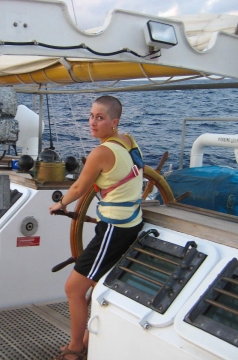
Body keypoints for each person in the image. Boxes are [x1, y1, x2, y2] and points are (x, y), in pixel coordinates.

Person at [49, 95, 144, 360]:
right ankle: (89, 339)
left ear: (114, 122)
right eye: (91, 116)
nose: (92, 122)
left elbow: (79, 187)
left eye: (100, 118)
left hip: (114, 229)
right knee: (99, 282)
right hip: (130, 223)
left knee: (74, 289)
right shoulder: (128, 141)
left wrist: (61, 204)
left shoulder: (101, 152)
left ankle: (77, 348)